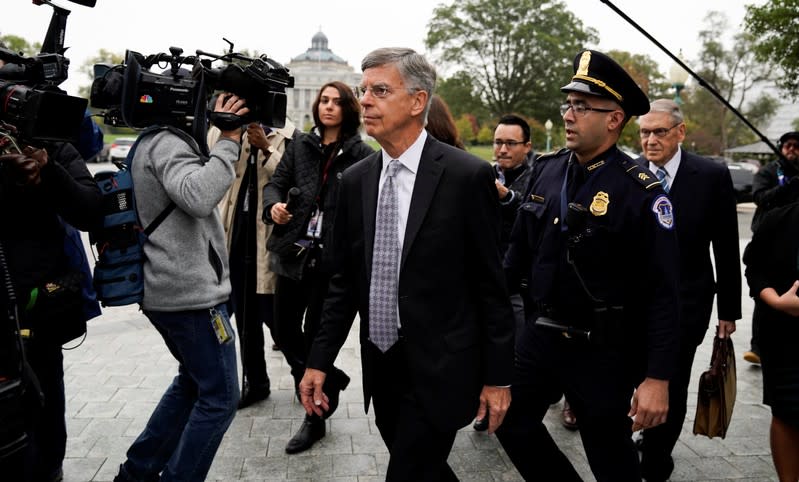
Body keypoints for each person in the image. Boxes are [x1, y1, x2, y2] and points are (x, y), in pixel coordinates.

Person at [298, 47, 515, 481]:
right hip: (382, 367)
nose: (365, 101)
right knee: (422, 469)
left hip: (442, 367)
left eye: (380, 90)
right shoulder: (356, 180)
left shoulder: (465, 176)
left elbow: (491, 287)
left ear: (418, 102)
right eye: (363, 91)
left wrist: (498, 379)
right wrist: (318, 360)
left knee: (408, 471)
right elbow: (344, 282)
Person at [496, 49, 680, 482]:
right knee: (509, 419)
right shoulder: (548, 170)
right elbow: (515, 256)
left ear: (614, 118)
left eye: (582, 107)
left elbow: (664, 293)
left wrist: (657, 378)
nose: (569, 115)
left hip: (603, 349)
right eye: (568, 104)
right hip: (541, 335)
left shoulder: (640, 190)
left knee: (609, 454)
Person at [113, 93, 249, 482]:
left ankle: (136, 473)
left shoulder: (153, 140)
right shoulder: (168, 143)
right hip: (190, 297)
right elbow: (199, 195)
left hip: (172, 291)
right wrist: (229, 139)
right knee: (221, 399)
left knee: (192, 384)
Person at [262, 80, 374, 454]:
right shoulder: (301, 146)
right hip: (293, 251)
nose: (327, 107)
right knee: (282, 328)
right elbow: (275, 184)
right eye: (323, 100)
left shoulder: (361, 153)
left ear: (348, 109)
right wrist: (273, 207)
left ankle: (314, 420)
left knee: (315, 337)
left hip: (331, 260)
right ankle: (333, 378)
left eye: (336, 101)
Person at [635, 99, 741, 482]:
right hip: (633, 304)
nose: (650, 140)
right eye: (644, 132)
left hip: (688, 302)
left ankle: (656, 456)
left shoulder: (710, 175)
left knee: (671, 379)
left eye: (659, 131)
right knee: (634, 375)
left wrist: (728, 311)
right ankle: (641, 432)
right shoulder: (628, 172)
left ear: (680, 132)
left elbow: (727, 247)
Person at [0, 140, 102, 482]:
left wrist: (48, 172)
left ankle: (49, 469)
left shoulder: (50, 144)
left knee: (45, 414)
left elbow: (90, 210)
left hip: (41, 311)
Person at [209, 119, 298, 409]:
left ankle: (305, 376)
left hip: (270, 238)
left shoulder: (291, 136)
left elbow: (294, 180)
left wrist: (266, 146)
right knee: (245, 319)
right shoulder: (235, 131)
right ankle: (256, 382)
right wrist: (230, 132)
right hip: (236, 233)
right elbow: (215, 160)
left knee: (278, 321)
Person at [743, 200, 799, 482]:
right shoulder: (779, 219)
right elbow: (754, 267)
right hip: (786, 339)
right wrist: (775, 300)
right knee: (788, 413)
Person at [744, 131, 799, 365]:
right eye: (788, 146)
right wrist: (788, 187)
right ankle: (758, 345)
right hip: (770, 237)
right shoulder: (768, 172)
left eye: (797, 146)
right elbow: (760, 197)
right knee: (766, 291)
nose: (792, 150)